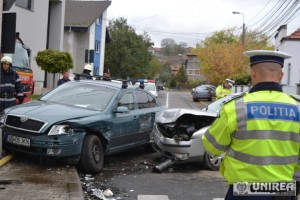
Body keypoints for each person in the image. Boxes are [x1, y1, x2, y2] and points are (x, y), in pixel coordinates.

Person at [202, 50, 300, 200]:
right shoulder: (297, 108)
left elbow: (211, 146)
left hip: (245, 191)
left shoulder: (235, 107)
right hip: (284, 191)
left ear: (253, 73)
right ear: (281, 76)